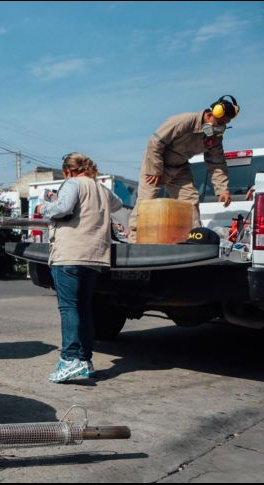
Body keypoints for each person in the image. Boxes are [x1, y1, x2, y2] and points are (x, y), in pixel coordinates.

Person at [37, 153, 122, 383]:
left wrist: (45, 206)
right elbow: (118, 203)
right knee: (84, 308)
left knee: (68, 307)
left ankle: (69, 359)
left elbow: (63, 208)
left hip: (70, 254)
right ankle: (85, 361)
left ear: (68, 171)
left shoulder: (72, 183)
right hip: (95, 256)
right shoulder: (101, 188)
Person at [128, 95, 240, 242]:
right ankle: (133, 242)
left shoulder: (215, 136)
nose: (221, 126)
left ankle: (194, 241)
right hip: (157, 165)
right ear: (209, 115)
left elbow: (216, 163)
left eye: (225, 123)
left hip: (180, 168)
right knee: (146, 203)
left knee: (190, 203)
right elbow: (155, 142)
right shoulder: (184, 121)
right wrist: (155, 169)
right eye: (220, 122)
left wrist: (222, 189)